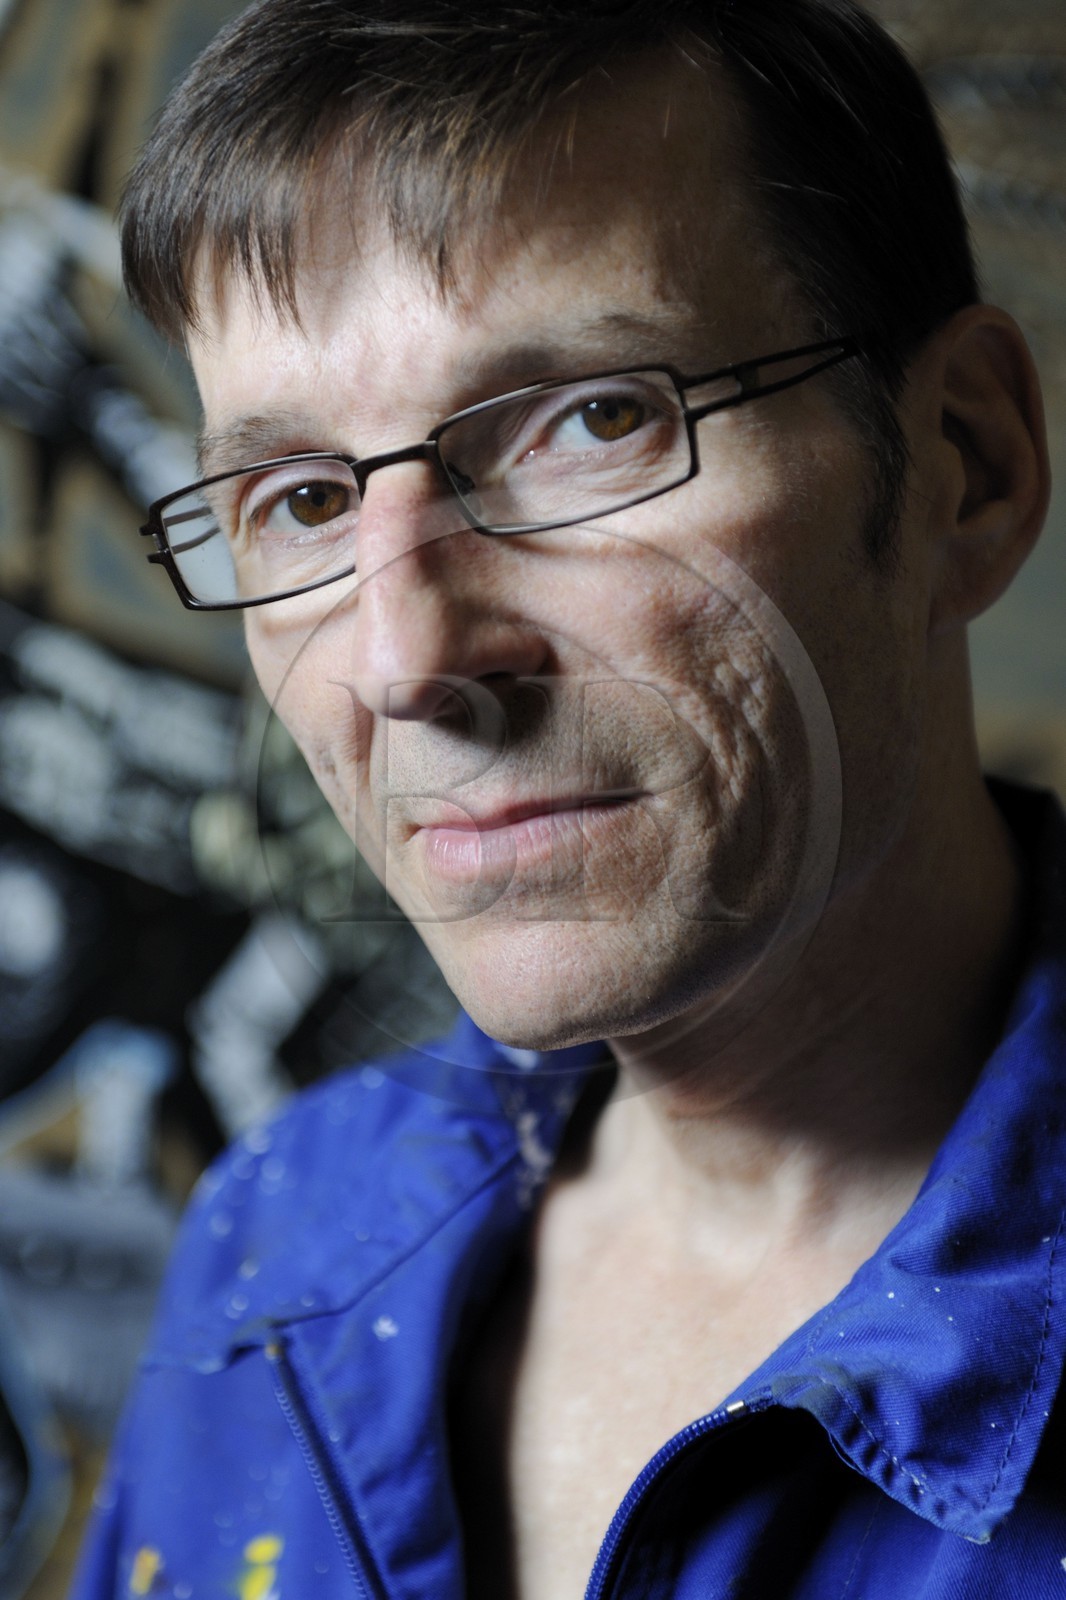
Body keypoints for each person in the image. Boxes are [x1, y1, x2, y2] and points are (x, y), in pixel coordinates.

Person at [73, 1, 1066, 1596]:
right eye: (302, 500)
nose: (404, 658)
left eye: (592, 421)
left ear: (963, 463)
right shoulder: (281, 1239)